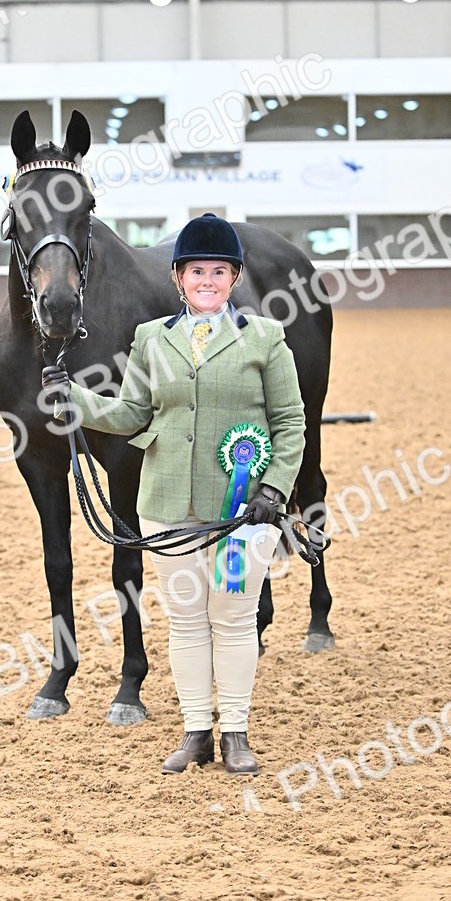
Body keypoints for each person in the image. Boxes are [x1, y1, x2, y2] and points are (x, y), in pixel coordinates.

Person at [42, 213, 305, 776]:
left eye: (217, 271)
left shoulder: (266, 338)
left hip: (242, 511)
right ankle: (196, 732)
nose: (206, 281)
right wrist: (78, 402)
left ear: (233, 278)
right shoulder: (150, 339)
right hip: (165, 507)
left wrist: (275, 488)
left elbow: (291, 422)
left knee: (233, 620)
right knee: (186, 622)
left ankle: (235, 732)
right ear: (179, 278)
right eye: (195, 271)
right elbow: (133, 413)